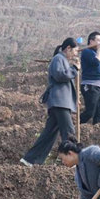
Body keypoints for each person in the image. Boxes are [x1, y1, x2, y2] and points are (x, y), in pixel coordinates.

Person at [20, 37, 79, 167]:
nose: (76, 54)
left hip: (61, 102)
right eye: (75, 51)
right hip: (60, 102)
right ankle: (73, 160)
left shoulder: (62, 60)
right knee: (69, 131)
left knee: (49, 134)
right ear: (68, 48)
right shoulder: (58, 59)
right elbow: (60, 75)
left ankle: (30, 160)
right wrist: (74, 69)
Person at [80, 31, 100, 125]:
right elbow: (96, 62)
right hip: (90, 86)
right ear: (91, 41)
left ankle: (96, 133)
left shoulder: (94, 52)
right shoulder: (87, 52)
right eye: (98, 40)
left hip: (97, 87)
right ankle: (72, 127)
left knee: (99, 114)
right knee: (90, 112)